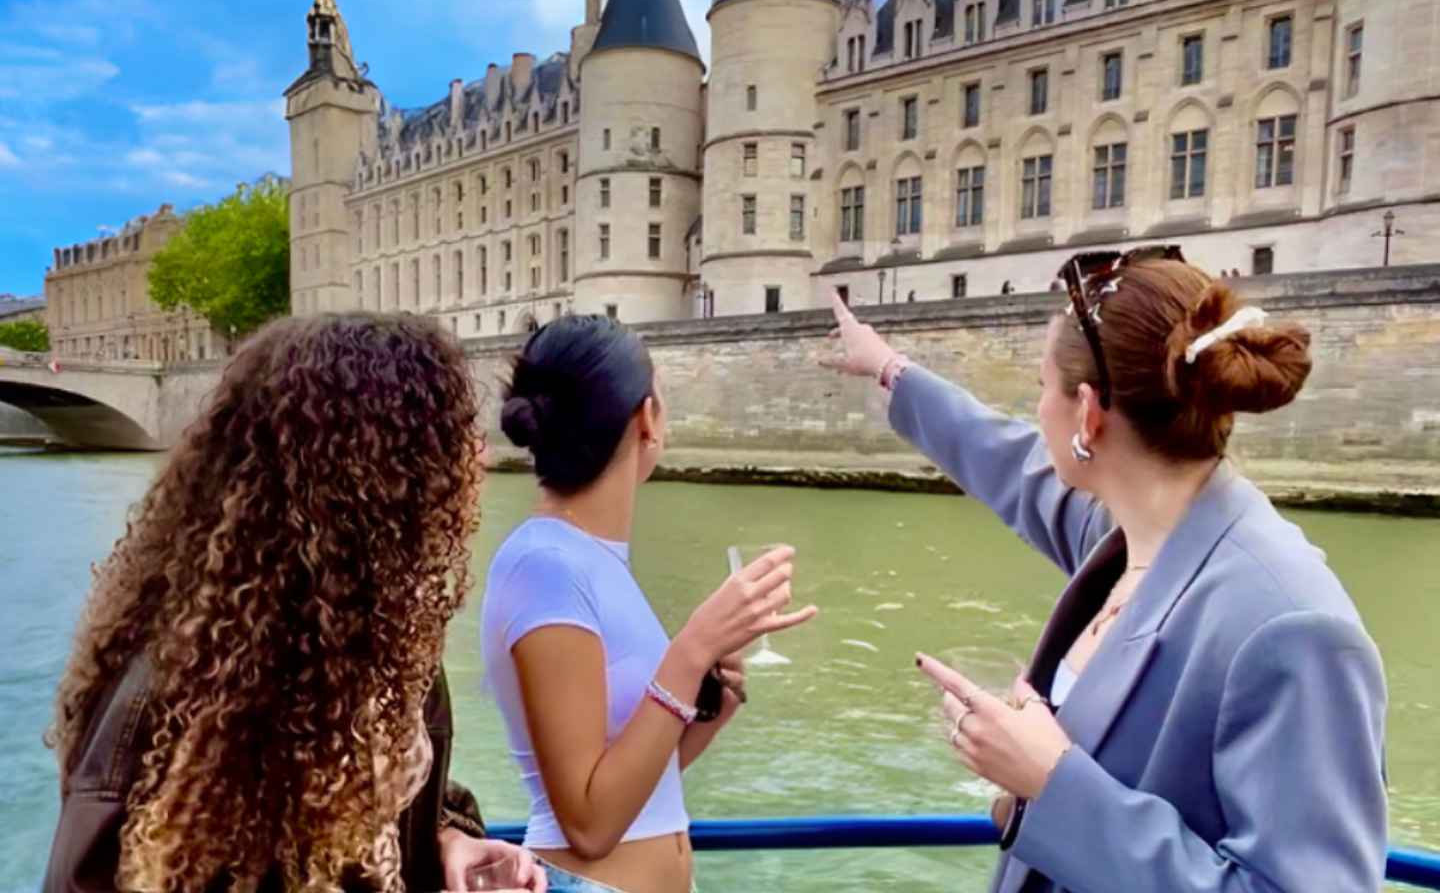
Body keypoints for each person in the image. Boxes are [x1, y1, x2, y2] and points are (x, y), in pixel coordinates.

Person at [822, 247, 1387, 892]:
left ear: (1088, 414)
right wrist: (890, 369)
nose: (1035, 413)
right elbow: (1008, 464)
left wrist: (1050, 782)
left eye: (1041, 388)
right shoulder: (1131, 534)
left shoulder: (1292, 624)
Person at [44, 313, 545, 893]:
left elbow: (410, 810)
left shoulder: (382, 640)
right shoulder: (171, 703)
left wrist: (450, 840)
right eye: (450, 440)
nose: (478, 459)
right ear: (378, 478)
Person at [482, 315, 817, 893]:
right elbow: (588, 825)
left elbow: (643, 784)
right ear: (647, 419)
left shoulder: (586, 559)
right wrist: (689, 653)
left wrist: (716, 688)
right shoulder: (547, 566)